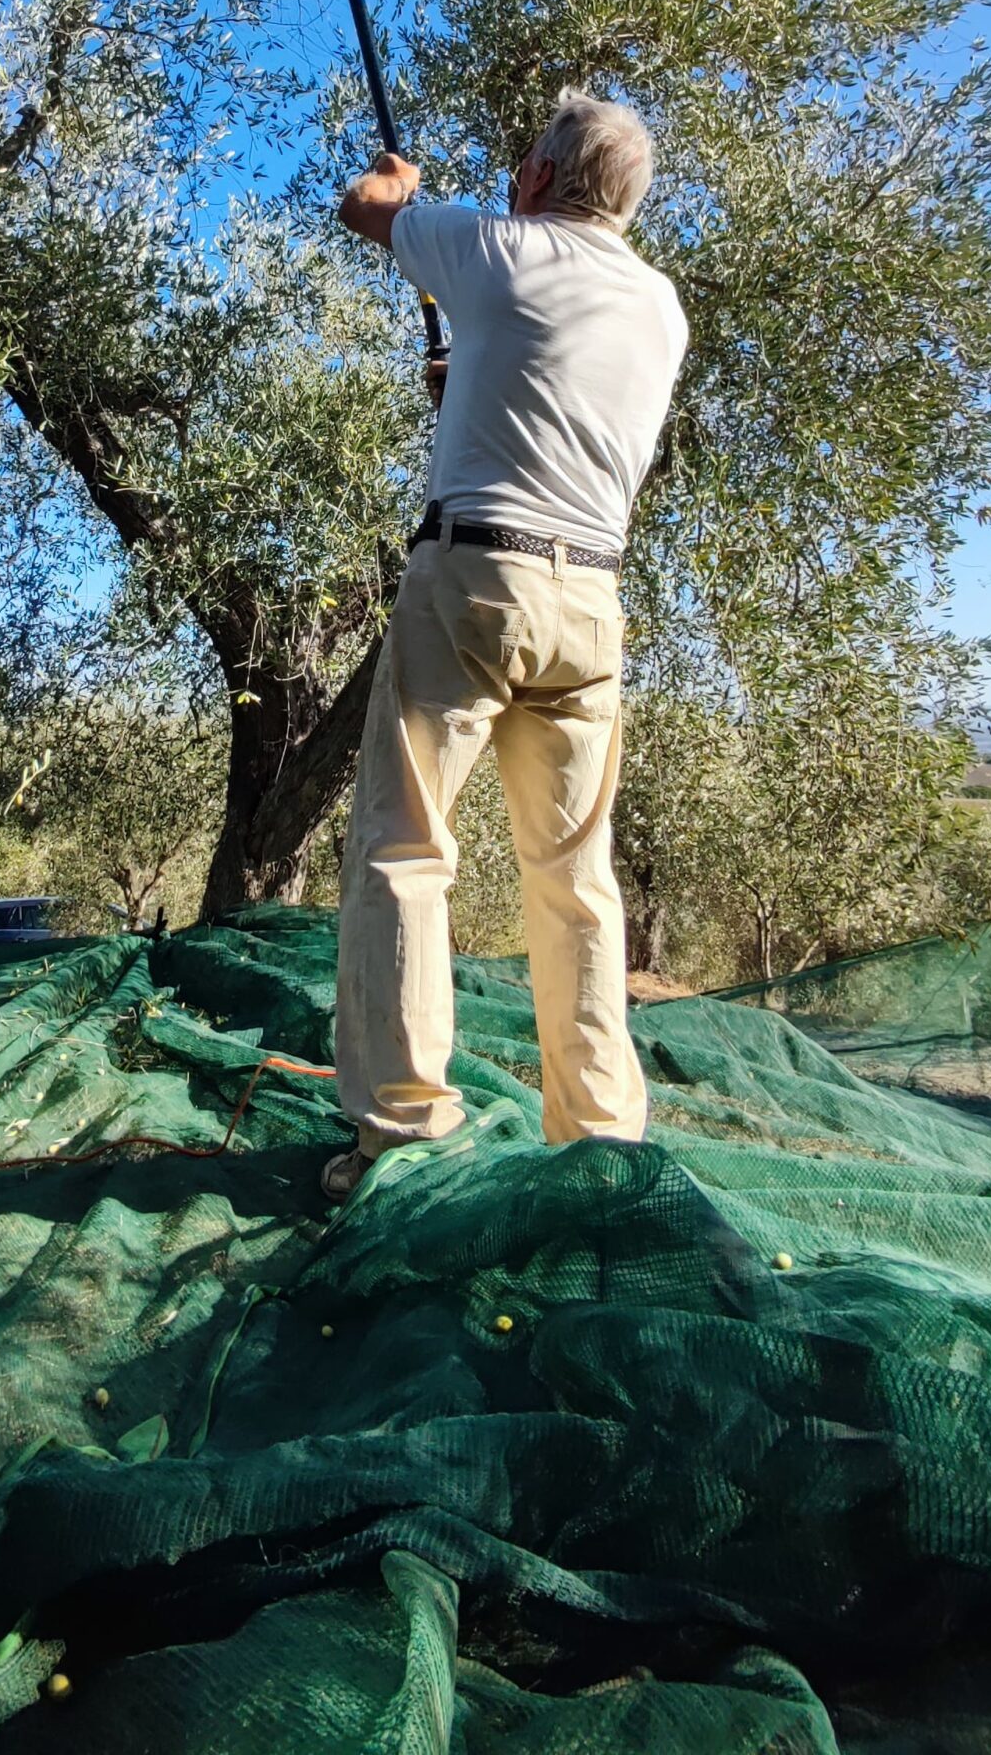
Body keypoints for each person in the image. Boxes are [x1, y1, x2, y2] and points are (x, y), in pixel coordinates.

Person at [324, 93, 688, 1201]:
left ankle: (402, 1131)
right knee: (575, 880)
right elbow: (555, 395)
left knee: (405, 848)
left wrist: (400, 177)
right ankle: (598, 1143)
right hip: (591, 604)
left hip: (476, 581)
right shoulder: (660, 307)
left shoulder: (494, 245)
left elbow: (366, 209)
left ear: (533, 178)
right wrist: (467, 383)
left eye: (520, 166)